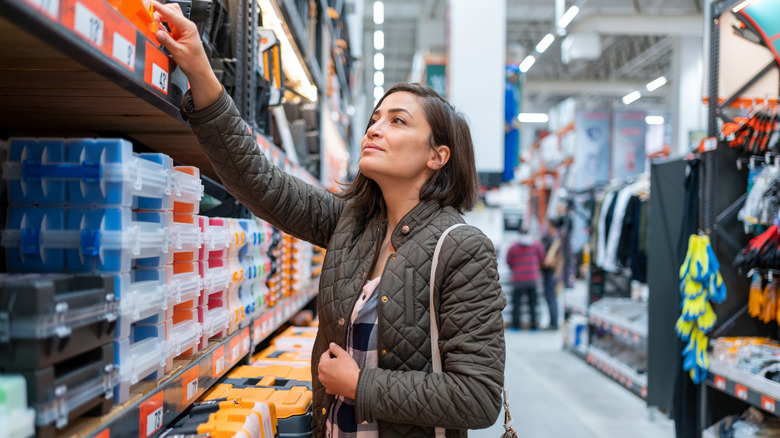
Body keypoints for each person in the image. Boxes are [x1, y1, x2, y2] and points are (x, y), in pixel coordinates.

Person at [151, 3, 507, 438]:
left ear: (437, 156)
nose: (374, 129)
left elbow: (478, 396)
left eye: (398, 121)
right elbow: (261, 182)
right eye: (375, 118)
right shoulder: (353, 225)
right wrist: (200, 70)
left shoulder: (462, 249)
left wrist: (361, 385)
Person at [505, 225, 545, 330]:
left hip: (518, 279)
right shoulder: (536, 244)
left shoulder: (513, 246)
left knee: (516, 304)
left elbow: (508, 261)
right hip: (532, 278)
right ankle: (533, 326)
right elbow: (542, 258)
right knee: (532, 304)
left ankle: (515, 325)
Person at [540, 221, 562, 330]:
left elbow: (550, 261)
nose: (546, 228)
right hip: (549, 273)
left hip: (551, 273)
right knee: (550, 298)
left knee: (551, 298)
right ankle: (553, 322)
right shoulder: (550, 239)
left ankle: (554, 323)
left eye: (548, 226)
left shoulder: (555, 240)